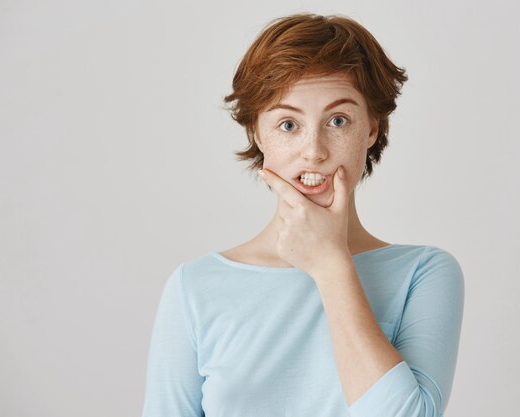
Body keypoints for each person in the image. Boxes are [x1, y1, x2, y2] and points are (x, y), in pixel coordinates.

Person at [141, 13, 464, 417]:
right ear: (257, 133)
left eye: (338, 120)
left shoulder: (424, 273)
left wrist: (331, 265)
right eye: (288, 124)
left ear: (372, 129)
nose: (314, 150)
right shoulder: (194, 287)